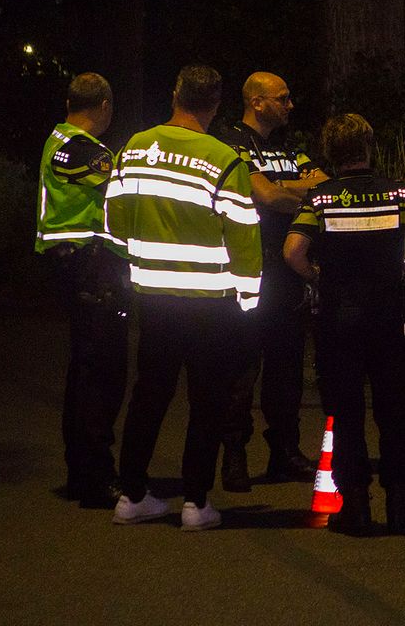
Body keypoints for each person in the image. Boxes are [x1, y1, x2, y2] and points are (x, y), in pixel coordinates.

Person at [104, 65, 262, 531]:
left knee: (149, 394)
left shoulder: (134, 147)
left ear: (175, 94)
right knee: (207, 400)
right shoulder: (224, 160)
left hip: (152, 295)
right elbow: (244, 238)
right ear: (216, 104)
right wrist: (249, 301)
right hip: (210, 302)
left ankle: (131, 495)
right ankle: (196, 503)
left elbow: (113, 219)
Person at [284, 114, 405, 536]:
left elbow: (293, 252)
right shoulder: (398, 193)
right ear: (369, 148)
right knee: (395, 414)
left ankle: (355, 506)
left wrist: (319, 276)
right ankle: (400, 505)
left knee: (345, 414)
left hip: (338, 323)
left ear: (331, 154)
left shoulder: (320, 198)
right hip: (389, 320)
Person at [214, 72, 326, 491]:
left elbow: (324, 186)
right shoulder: (232, 143)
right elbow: (265, 196)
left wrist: (281, 186)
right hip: (247, 270)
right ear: (257, 102)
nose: (290, 105)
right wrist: (292, 189)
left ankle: (285, 451)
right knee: (242, 367)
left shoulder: (289, 146)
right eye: (283, 98)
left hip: (288, 273)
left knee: (286, 367)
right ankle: (235, 455)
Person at [34, 72, 128, 509]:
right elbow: (125, 187)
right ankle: (94, 475)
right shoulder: (79, 148)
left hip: (74, 264)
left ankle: (82, 470)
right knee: (101, 374)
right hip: (89, 266)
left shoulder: (58, 140)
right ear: (104, 105)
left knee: (86, 371)